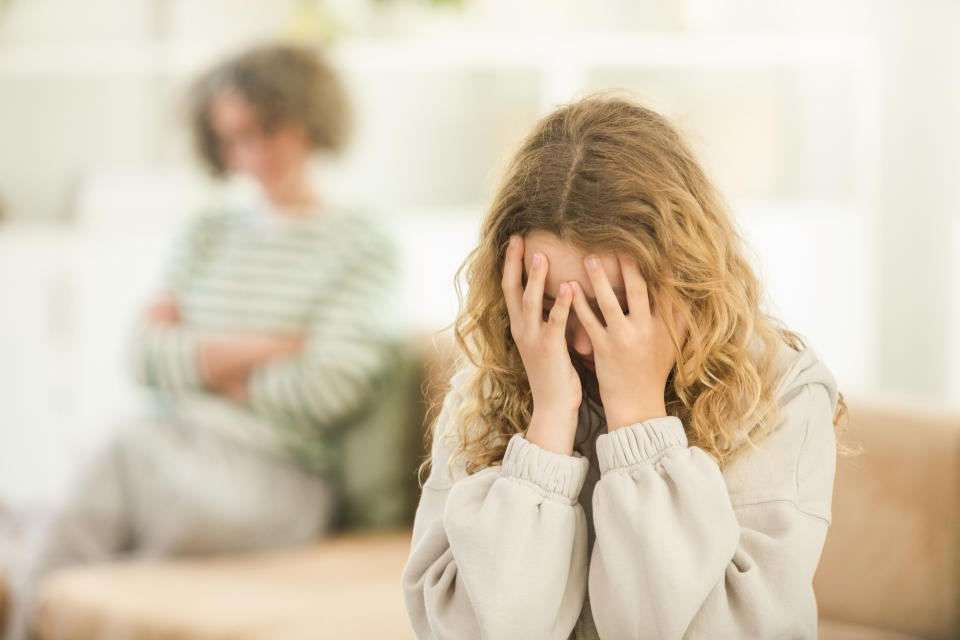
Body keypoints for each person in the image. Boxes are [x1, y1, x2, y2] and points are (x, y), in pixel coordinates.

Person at [401, 92, 852, 640]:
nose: (583, 345)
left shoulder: (781, 390)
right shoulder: (491, 385)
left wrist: (638, 419)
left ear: (685, 277)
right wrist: (546, 428)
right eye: (549, 308)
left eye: (614, 307)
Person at [3, 43, 401, 640]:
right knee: (41, 508)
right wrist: (268, 348)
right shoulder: (206, 234)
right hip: (175, 455)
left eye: (269, 130)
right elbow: (142, 355)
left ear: (309, 118)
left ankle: (22, 623)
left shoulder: (360, 243)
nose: (254, 154)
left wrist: (195, 355)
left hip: (277, 479)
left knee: (114, 454)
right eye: (233, 139)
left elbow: (330, 385)